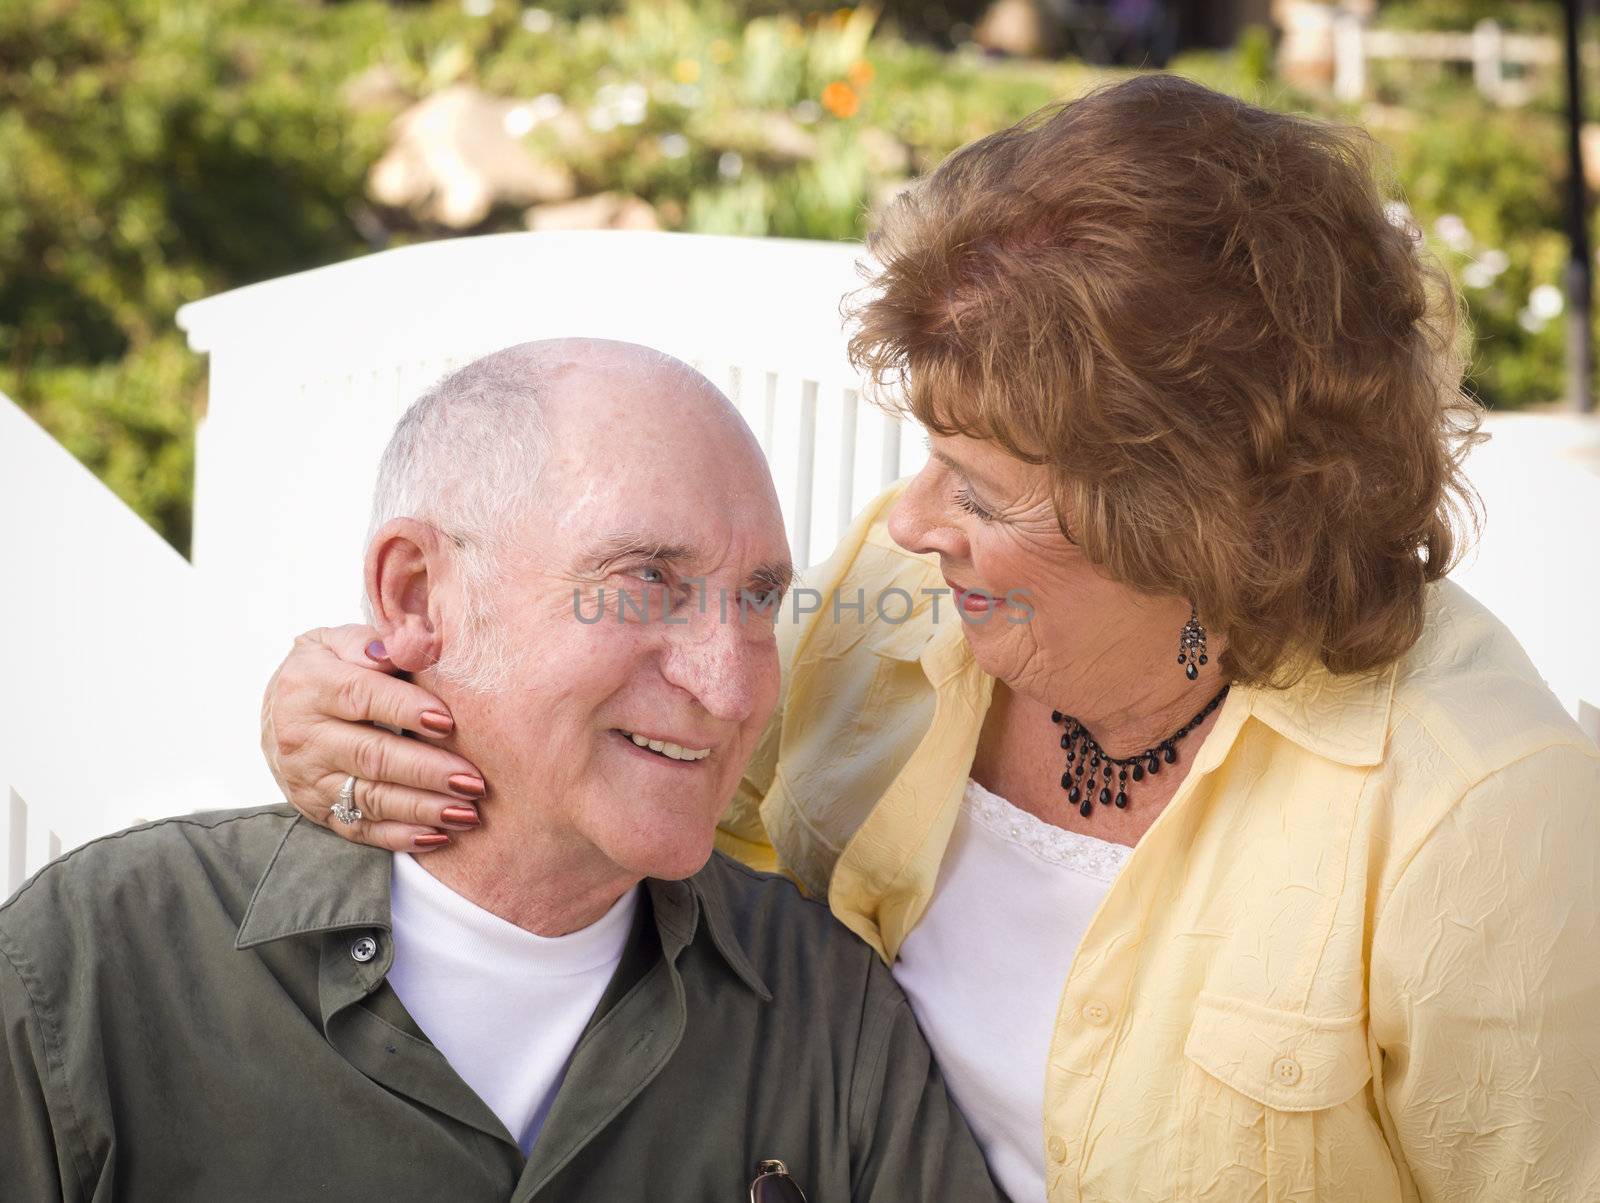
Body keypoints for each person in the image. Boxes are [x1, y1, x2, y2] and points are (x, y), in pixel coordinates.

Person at [260, 77, 1600, 1201]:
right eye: (930, 456)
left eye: (982, 490)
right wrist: (368, 707)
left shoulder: (1481, 815)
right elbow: (609, 773)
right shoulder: (907, 606)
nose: (911, 516)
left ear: (1193, 531)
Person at [0, 340, 1003, 1202]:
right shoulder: (90, 970)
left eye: (754, 599)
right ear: (416, 593)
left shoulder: (825, 1012)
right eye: (645, 581)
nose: (733, 689)